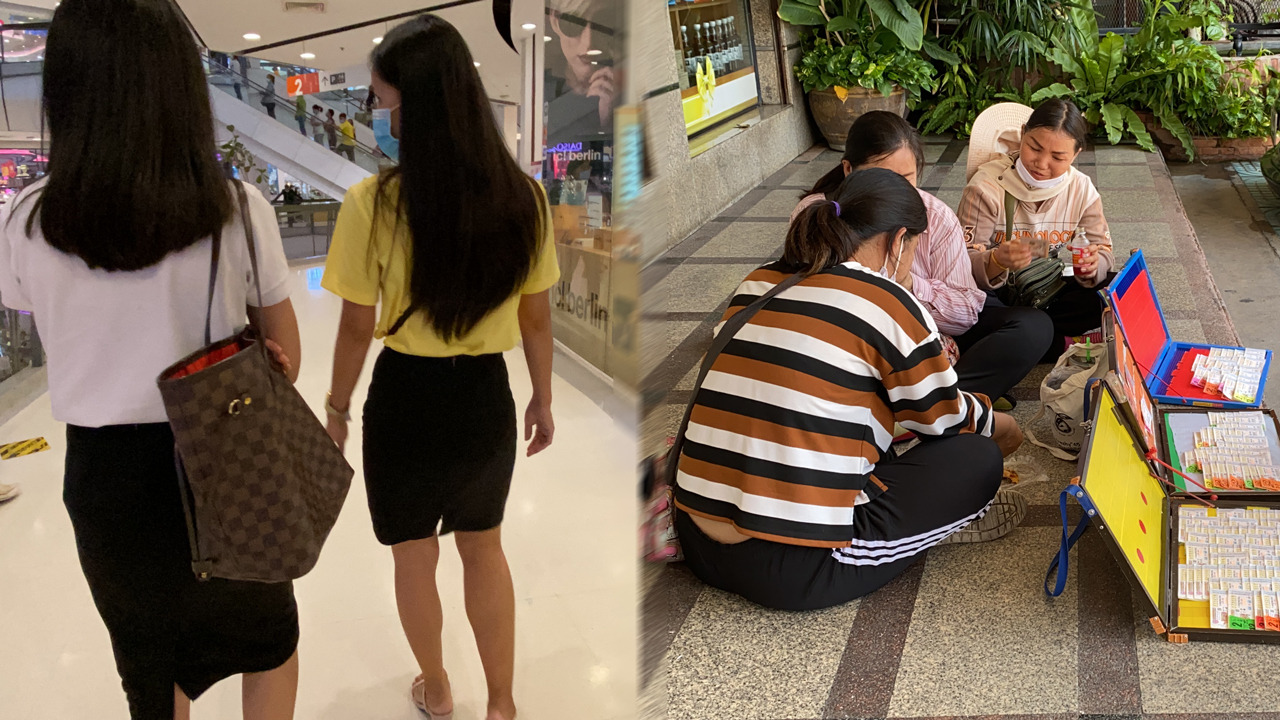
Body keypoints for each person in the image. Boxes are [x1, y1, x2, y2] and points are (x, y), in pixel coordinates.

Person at [0, 1, 302, 718]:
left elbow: (37, 314)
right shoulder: (237, 207)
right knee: (269, 644)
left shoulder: (28, 220)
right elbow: (289, 352)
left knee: (151, 666)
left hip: (106, 482)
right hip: (227, 453)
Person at [320, 15, 557, 720]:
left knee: (413, 555)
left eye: (386, 103)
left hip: (404, 399)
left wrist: (335, 408)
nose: (380, 116)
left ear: (417, 107)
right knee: (485, 549)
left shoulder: (375, 203)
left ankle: (439, 686)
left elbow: (357, 325)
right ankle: (504, 702)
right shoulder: (524, 198)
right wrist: (542, 397)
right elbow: (536, 318)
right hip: (485, 395)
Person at [673, 168, 1027, 612]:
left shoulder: (757, 281)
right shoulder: (887, 299)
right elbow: (943, 418)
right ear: (898, 241)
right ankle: (943, 526)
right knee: (977, 458)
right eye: (913, 247)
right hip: (792, 566)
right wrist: (999, 424)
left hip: (695, 535)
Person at [795, 112, 1053, 405]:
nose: (895, 191)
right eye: (880, 178)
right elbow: (812, 306)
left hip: (932, 324)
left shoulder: (936, 216)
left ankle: (941, 402)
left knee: (1033, 328)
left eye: (906, 178)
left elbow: (966, 312)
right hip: (855, 336)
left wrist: (909, 282)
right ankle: (945, 403)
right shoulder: (820, 215)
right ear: (848, 169)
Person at [958, 100, 1114, 352]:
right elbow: (961, 263)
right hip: (995, 295)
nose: (1041, 163)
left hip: (1043, 287)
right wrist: (997, 260)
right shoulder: (985, 188)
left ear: (1075, 154)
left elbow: (1104, 250)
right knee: (976, 311)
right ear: (1022, 135)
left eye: (1057, 157)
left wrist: (1094, 266)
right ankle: (1058, 342)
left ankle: (1029, 339)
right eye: (1034, 148)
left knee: (1115, 290)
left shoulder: (1082, 190)